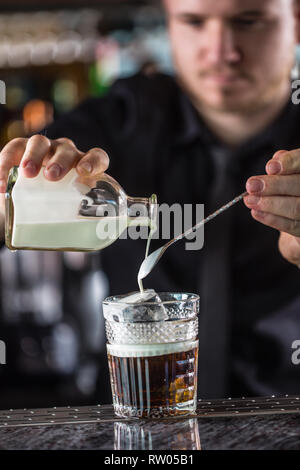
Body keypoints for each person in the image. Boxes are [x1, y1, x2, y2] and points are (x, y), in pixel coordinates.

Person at [1, 0, 300, 399]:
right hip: (137, 421)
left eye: (248, 21)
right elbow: (15, 191)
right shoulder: (119, 120)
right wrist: (23, 182)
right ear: (169, 22)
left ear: (295, 20)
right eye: (193, 21)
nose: (222, 51)